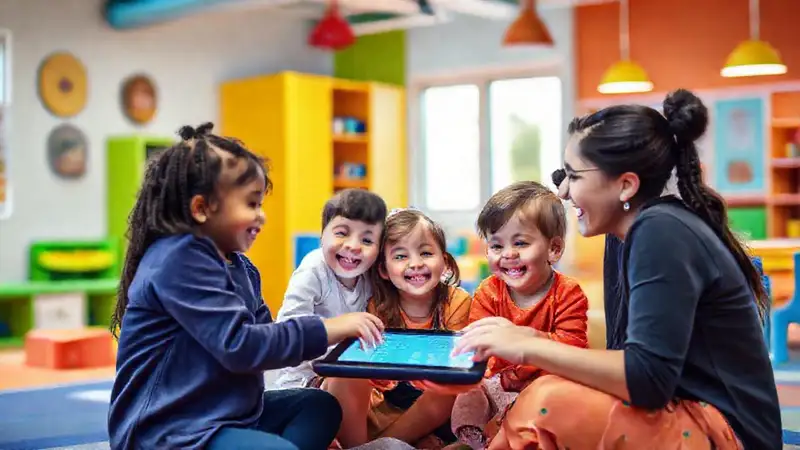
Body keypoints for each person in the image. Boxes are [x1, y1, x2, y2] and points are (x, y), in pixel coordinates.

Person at [454, 90, 783, 449]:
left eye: (574, 176)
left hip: (730, 433)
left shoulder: (661, 232)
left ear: (625, 185)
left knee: (545, 401)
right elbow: (627, 358)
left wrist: (527, 347)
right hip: (686, 410)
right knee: (545, 395)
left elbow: (647, 381)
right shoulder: (626, 233)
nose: (562, 192)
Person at [107, 123, 384, 450]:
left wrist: (338, 348)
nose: (262, 217)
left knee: (319, 408)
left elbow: (267, 342)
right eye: (250, 204)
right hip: (170, 429)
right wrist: (328, 328)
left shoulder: (242, 268)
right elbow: (240, 346)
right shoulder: (177, 260)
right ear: (200, 208)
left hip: (230, 415)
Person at [450, 181, 589, 449]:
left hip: (545, 388)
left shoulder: (568, 293)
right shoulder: (488, 291)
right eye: (497, 246)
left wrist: (526, 348)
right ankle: (473, 439)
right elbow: (477, 349)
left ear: (554, 249)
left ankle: (502, 438)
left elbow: (574, 351)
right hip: (496, 384)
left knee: (555, 397)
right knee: (468, 390)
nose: (509, 254)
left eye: (521, 243)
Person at [327, 208, 474, 449]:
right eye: (400, 256)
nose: (415, 264)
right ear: (384, 269)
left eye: (425, 253)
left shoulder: (457, 303)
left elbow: (458, 370)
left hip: (429, 410)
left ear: (445, 262)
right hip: (384, 405)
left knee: (452, 386)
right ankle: (362, 445)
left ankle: (384, 444)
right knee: (342, 374)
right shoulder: (377, 306)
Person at [272, 188, 388, 390]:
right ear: (322, 237)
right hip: (303, 381)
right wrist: (338, 327)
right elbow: (286, 333)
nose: (353, 245)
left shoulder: (371, 274)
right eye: (342, 233)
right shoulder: (313, 270)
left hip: (353, 372)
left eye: (367, 240)